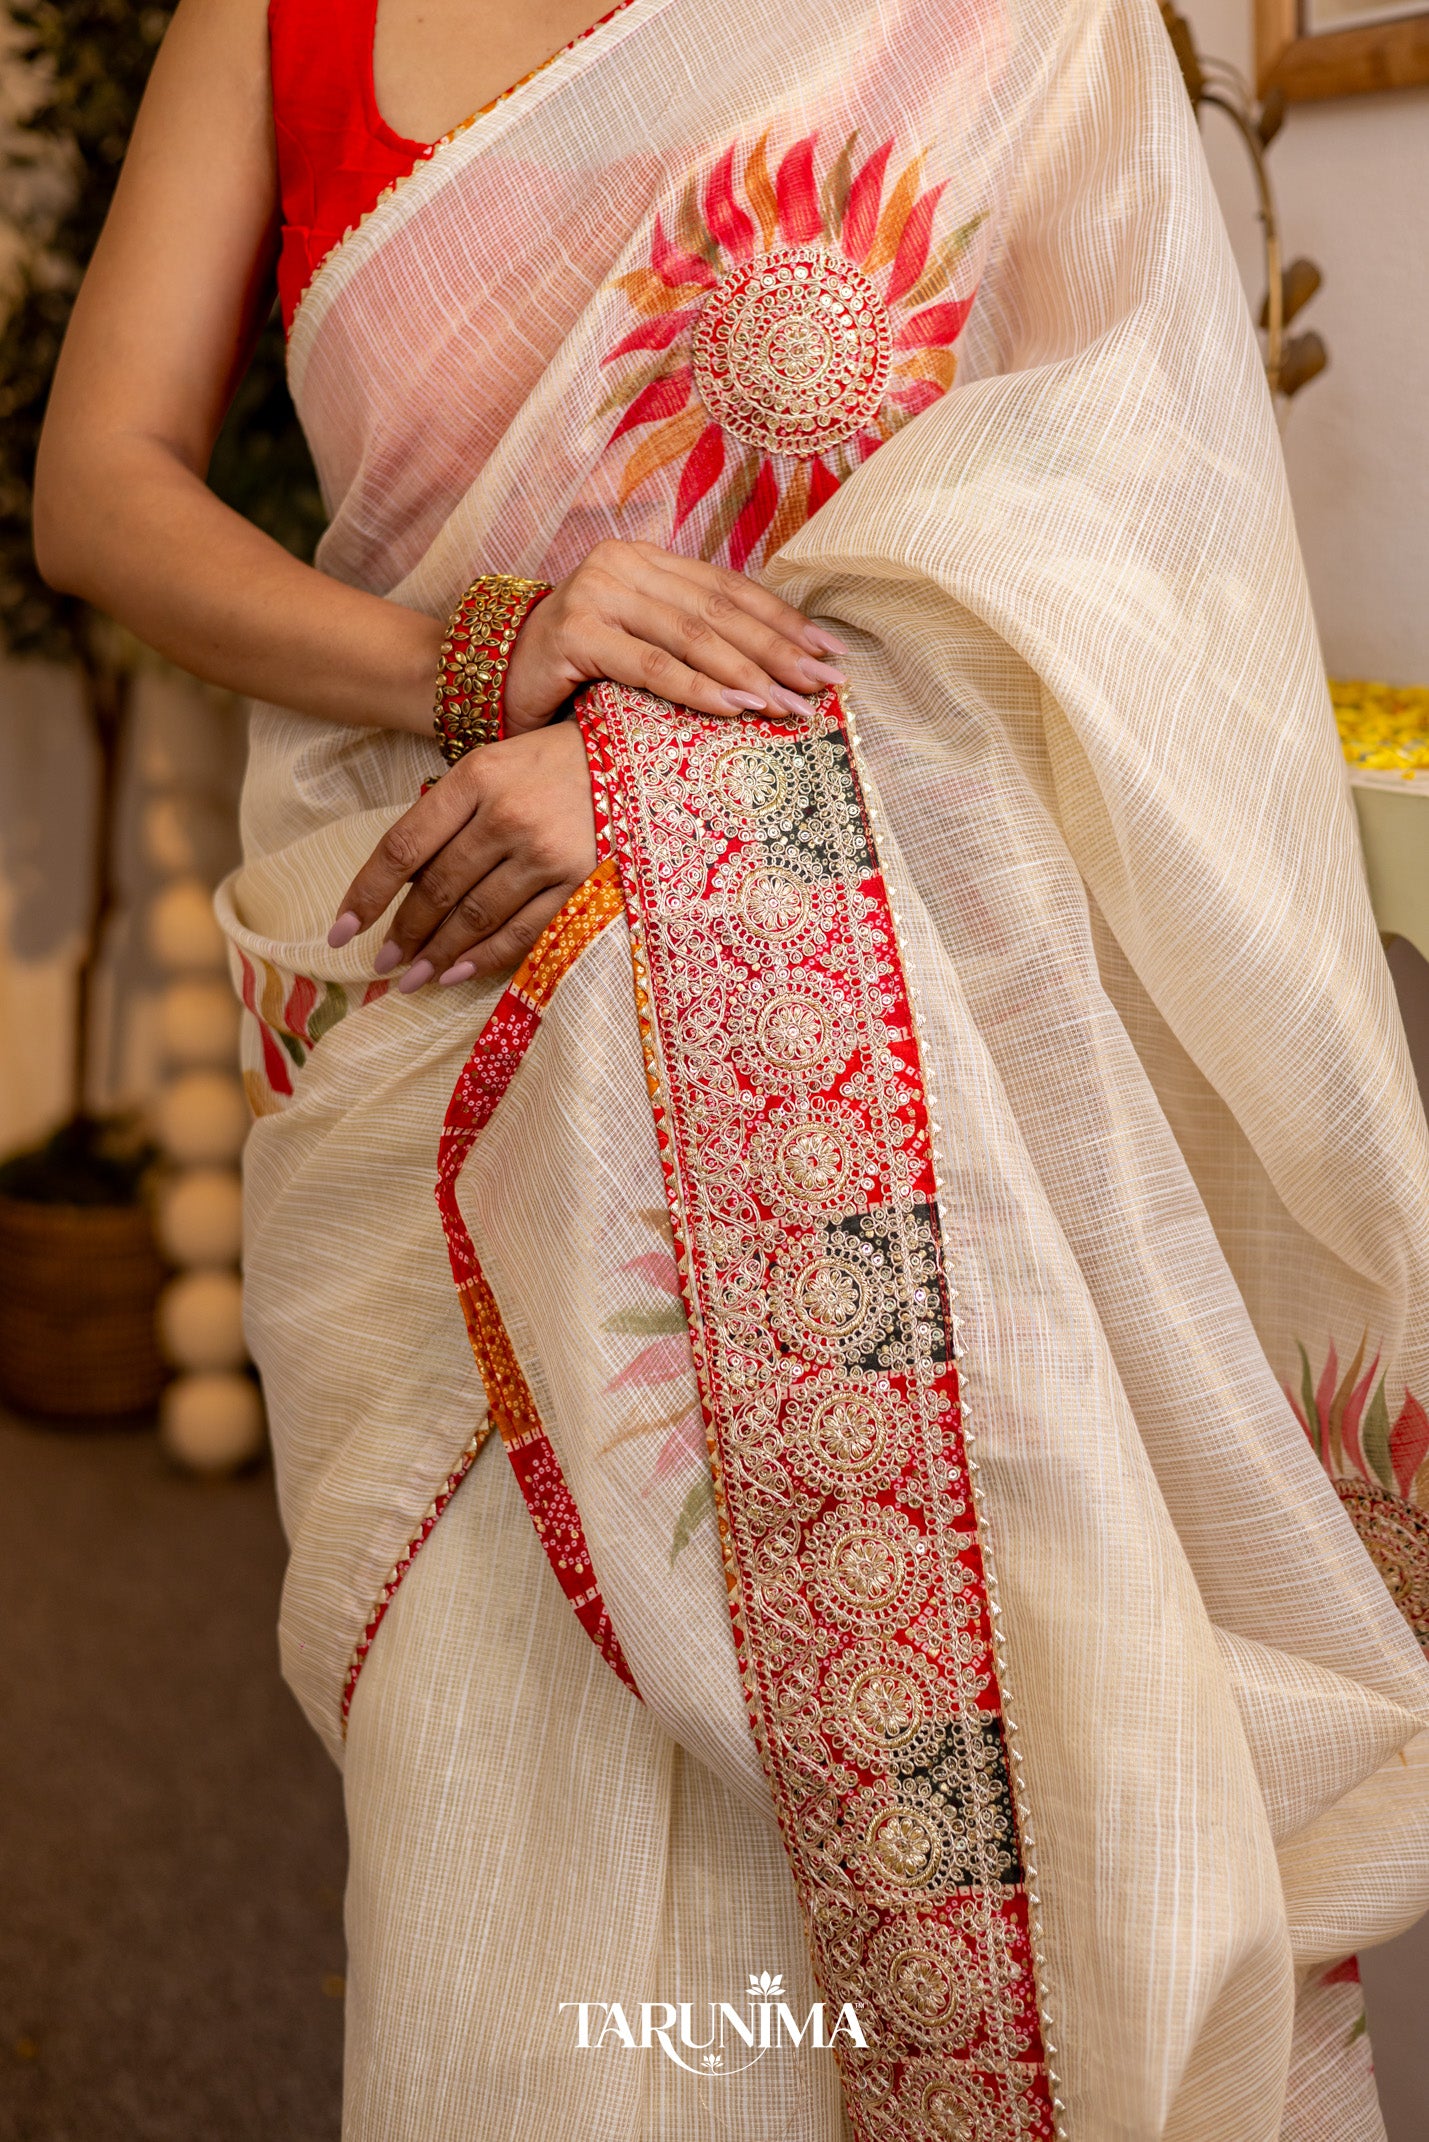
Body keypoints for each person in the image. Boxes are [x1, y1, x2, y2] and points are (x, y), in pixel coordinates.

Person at [34, 0, 1429, 2133]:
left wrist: (666, 780)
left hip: (912, 1037)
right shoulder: (274, 15)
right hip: (438, 963)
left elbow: (1131, 519)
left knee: (1012, 1772)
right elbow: (101, 489)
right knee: (503, 1846)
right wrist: (475, 657)